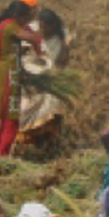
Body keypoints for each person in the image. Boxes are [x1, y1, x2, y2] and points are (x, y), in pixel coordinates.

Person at [0, 0, 42, 155]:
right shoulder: (10, 26)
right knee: (11, 118)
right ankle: (2, 152)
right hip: (9, 75)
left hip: (4, 73)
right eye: (26, 18)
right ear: (19, 16)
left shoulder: (4, 25)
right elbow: (33, 38)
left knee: (5, 117)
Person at [18, 9, 69, 148]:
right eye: (42, 27)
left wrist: (54, 73)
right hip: (28, 69)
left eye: (47, 27)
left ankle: (45, 136)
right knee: (24, 104)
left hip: (47, 74)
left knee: (51, 100)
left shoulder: (60, 39)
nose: (44, 30)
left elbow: (60, 62)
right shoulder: (31, 30)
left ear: (54, 26)